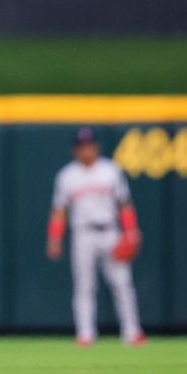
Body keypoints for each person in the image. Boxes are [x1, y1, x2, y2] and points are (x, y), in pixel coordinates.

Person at [46, 127, 145, 347]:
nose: (85, 150)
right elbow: (59, 211)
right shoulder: (67, 176)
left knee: (122, 283)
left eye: (89, 145)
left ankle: (132, 332)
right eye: (81, 146)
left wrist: (131, 231)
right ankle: (85, 333)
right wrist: (54, 238)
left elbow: (124, 204)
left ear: (96, 147)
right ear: (75, 150)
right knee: (84, 286)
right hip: (83, 234)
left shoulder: (111, 171)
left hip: (110, 231)